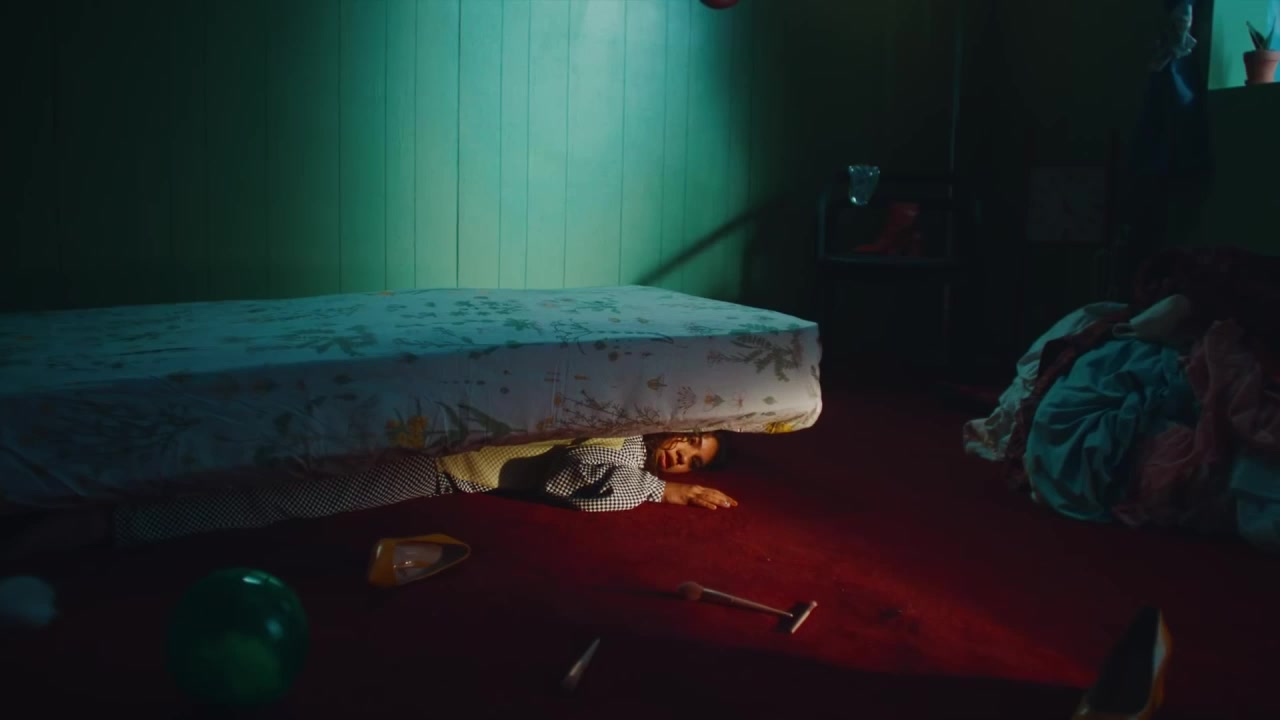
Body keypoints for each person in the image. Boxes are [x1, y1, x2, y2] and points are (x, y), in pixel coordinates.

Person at [2, 432, 734, 558]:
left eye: (694, 459)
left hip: (440, 468)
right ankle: (77, 503)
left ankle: (104, 523)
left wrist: (663, 490)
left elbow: (584, 485)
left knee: (277, 497)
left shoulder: (627, 465)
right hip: (430, 427)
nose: (684, 453)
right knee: (266, 461)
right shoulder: (623, 413)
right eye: (693, 439)